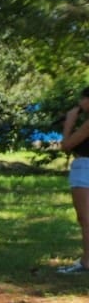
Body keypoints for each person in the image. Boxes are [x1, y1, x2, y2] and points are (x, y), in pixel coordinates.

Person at [57, 87, 89, 273]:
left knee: (85, 218)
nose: (80, 103)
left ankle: (86, 261)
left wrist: (69, 122)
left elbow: (66, 145)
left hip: (84, 168)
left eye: (82, 99)